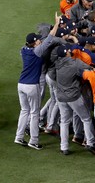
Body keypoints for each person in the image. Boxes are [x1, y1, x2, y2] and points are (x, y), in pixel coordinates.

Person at [14, 12, 60, 149]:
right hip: (31, 86)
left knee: (24, 111)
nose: (40, 40)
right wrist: (57, 23)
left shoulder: (23, 50)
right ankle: (33, 140)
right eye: (38, 40)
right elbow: (50, 38)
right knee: (34, 113)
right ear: (34, 43)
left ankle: (19, 137)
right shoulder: (37, 51)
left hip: (20, 85)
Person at [55, 44, 95, 155]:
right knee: (86, 118)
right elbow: (90, 69)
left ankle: (64, 147)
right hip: (74, 96)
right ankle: (90, 142)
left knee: (64, 121)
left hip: (60, 96)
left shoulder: (56, 63)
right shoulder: (75, 63)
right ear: (66, 53)